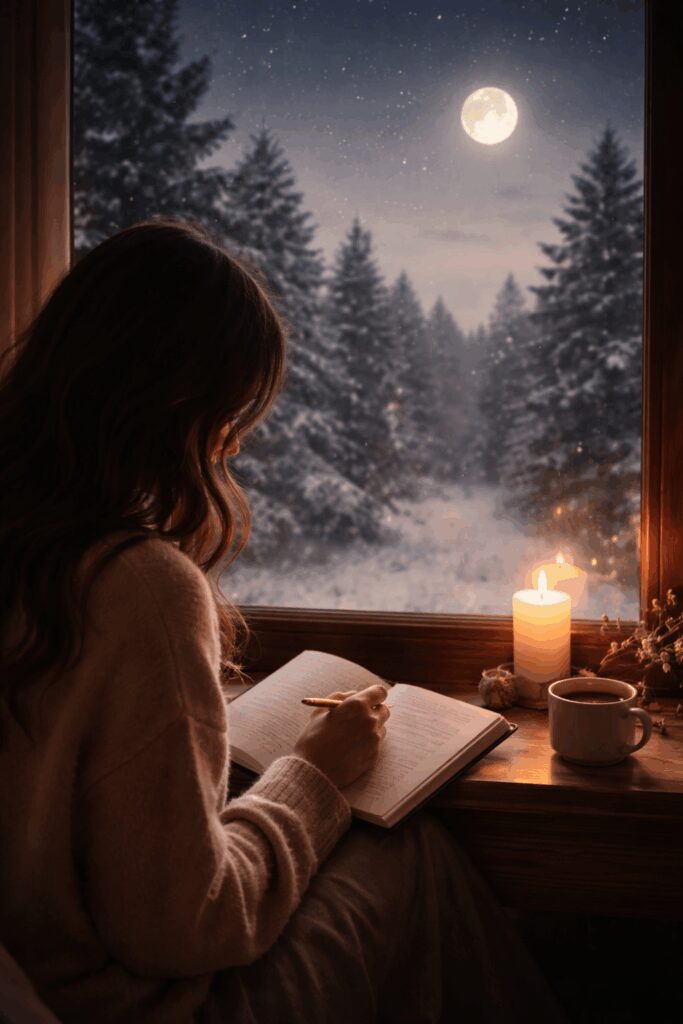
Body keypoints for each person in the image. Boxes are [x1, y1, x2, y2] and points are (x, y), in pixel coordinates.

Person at [0, 219, 566, 1024]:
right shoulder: (137, 588)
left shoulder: (36, 549)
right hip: (116, 1001)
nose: (231, 444)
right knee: (410, 856)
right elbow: (189, 927)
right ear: (170, 402)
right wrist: (315, 773)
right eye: (228, 411)